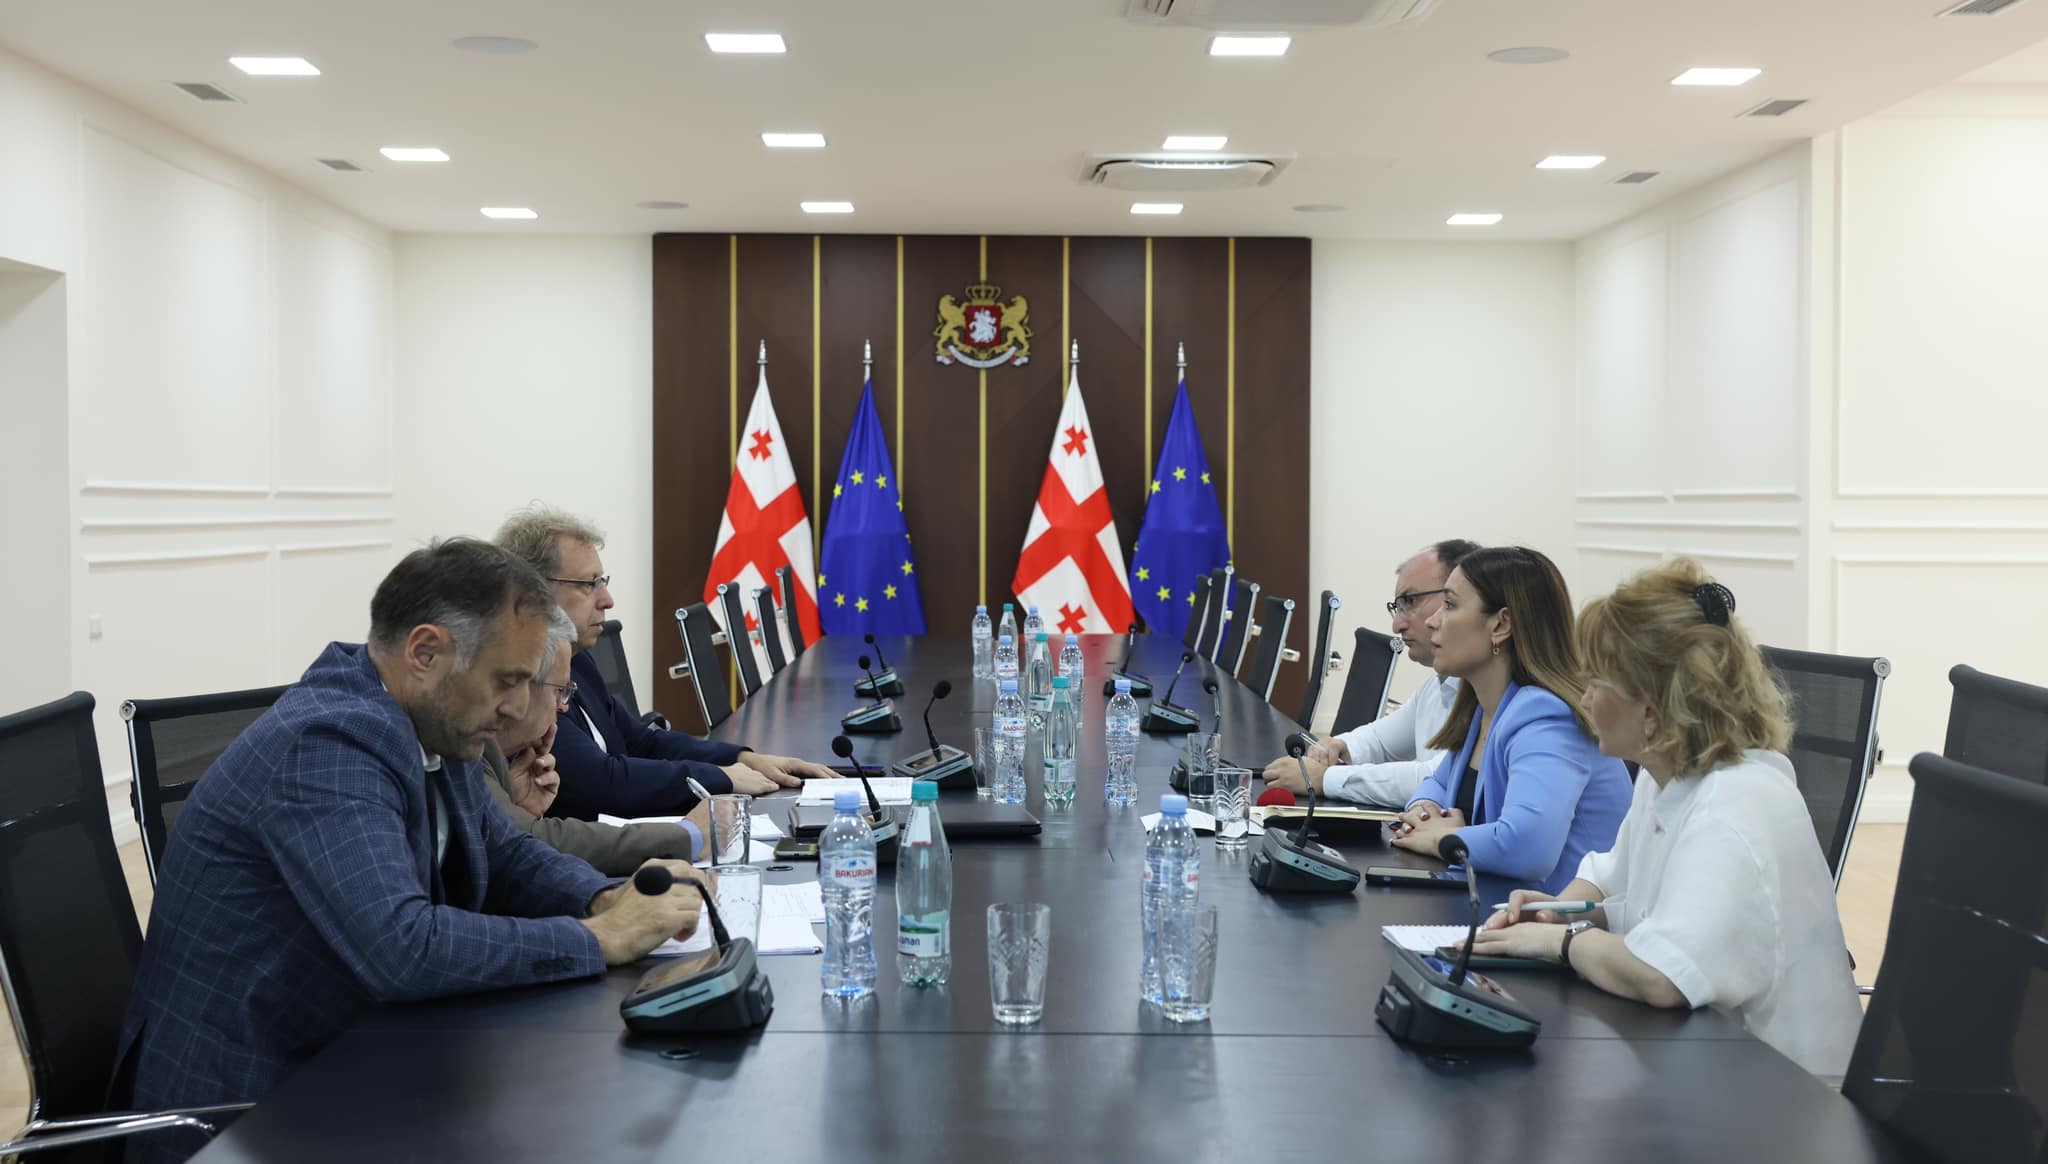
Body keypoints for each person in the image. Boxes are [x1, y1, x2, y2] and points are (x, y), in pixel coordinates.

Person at [116, 540, 709, 1154]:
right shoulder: (327, 746)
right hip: (250, 1108)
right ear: (426, 652)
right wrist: (597, 938)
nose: (515, 707)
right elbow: (401, 945)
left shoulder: (430, 715)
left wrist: (607, 897)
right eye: (507, 680)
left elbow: (503, 851)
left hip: (364, 1051)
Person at [1471, 560, 1864, 1075]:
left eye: (1596, 683)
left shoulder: (1733, 806)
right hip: (1715, 1065)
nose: (1583, 699)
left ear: (1651, 710)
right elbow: (1618, 884)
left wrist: (1561, 942)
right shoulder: (1667, 777)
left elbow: (1662, 975)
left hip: (1786, 1093)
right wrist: (1561, 912)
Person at [494, 505, 837, 820]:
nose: (607, 600)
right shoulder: (525, 682)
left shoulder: (579, 662)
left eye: (603, 582)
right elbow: (601, 781)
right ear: (534, 590)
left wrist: (741, 759)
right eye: (589, 585)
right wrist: (720, 778)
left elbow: (642, 742)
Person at [1389, 546, 1631, 892]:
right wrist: (1424, 810)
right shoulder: (1485, 706)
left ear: (1501, 625)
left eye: (1450, 605)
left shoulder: (1547, 718)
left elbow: (1528, 848)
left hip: (1557, 917)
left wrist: (1444, 838)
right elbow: (1439, 783)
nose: (1432, 621)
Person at [485, 609, 720, 875]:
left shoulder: (494, 758)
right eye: (560, 691)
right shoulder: (466, 752)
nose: (563, 706)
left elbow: (513, 848)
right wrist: (688, 835)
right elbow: (537, 839)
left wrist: (519, 810)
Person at [1262, 539, 1478, 806]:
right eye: (1398, 607)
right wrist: (1338, 746)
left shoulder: (1490, 694)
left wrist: (1324, 778)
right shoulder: (1436, 686)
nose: (1397, 625)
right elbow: (1380, 741)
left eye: (1411, 601)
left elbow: (1439, 778)